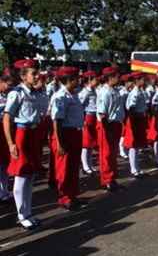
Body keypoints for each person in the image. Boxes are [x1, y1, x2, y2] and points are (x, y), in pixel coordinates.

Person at [3, 59, 43, 230]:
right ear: (23, 75)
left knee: (31, 174)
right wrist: (11, 143)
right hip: (22, 134)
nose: (37, 76)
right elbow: (7, 118)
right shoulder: (16, 93)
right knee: (21, 175)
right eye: (33, 73)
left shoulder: (34, 92)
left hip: (33, 133)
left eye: (37, 72)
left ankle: (28, 212)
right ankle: (22, 215)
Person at [51, 66, 85, 211]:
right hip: (65, 134)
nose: (79, 80)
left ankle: (72, 195)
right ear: (69, 80)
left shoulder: (74, 94)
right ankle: (64, 197)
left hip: (76, 133)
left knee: (73, 166)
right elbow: (56, 121)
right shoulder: (60, 97)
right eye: (76, 78)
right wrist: (59, 143)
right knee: (64, 169)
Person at [96, 66, 125, 192]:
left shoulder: (114, 90)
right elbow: (102, 114)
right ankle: (107, 180)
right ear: (110, 77)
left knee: (113, 153)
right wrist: (107, 130)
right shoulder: (105, 92)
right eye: (117, 76)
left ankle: (112, 178)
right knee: (106, 154)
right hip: (107, 125)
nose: (119, 78)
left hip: (115, 124)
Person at [124, 72, 148, 178]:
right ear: (137, 80)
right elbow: (131, 108)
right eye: (142, 79)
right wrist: (134, 121)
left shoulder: (140, 91)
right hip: (135, 119)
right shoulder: (134, 93)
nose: (144, 81)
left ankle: (137, 168)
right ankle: (133, 169)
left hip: (140, 118)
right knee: (133, 145)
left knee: (137, 145)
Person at [79, 70, 99, 175]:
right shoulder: (85, 92)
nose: (97, 80)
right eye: (95, 79)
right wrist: (82, 120)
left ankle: (90, 164)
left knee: (91, 143)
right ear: (89, 80)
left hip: (94, 117)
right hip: (87, 117)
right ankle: (85, 166)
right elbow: (80, 106)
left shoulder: (94, 91)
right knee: (86, 144)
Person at [0, 72, 14, 204]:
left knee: (4, 163)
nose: (9, 88)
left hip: (5, 131)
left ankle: (3, 192)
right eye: (8, 85)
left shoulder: (7, 95)